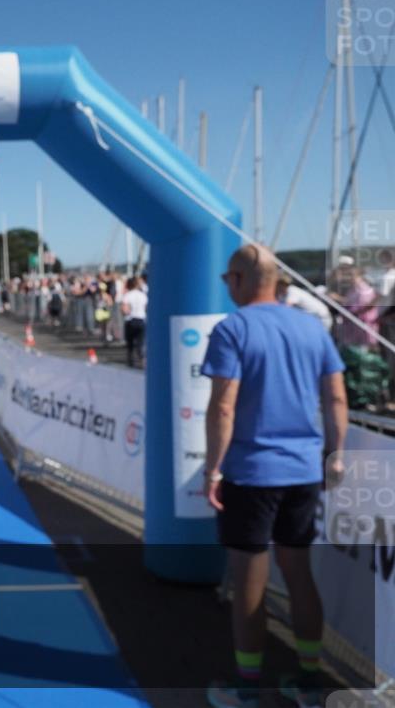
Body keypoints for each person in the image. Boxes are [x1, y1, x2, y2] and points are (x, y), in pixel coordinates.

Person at [203, 244, 347, 708]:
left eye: (228, 280)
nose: (228, 288)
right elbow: (336, 400)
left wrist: (212, 468)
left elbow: (224, 407)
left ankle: (247, 685)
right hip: (304, 470)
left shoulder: (233, 329)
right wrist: (335, 453)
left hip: (252, 473)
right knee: (299, 571)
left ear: (242, 280)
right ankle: (308, 679)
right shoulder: (311, 327)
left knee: (249, 577)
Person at [121, 277, 147, 368]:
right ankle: (142, 360)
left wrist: (128, 312)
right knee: (141, 343)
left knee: (130, 343)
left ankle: (130, 361)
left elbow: (124, 310)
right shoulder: (143, 295)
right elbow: (146, 307)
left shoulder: (127, 295)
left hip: (131, 320)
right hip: (142, 319)